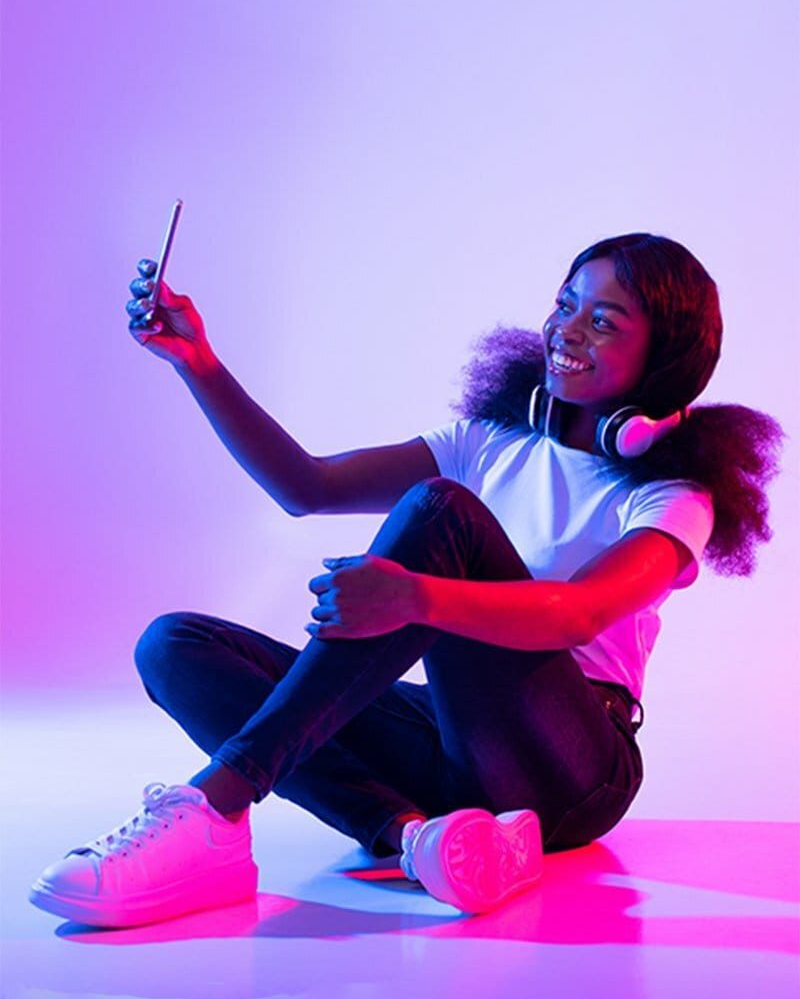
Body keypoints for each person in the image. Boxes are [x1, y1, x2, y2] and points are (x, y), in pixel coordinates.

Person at [28, 233, 785, 927]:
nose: (568, 329)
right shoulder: (488, 444)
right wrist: (200, 364)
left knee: (441, 512)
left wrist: (414, 598)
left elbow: (578, 614)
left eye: (604, 322)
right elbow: (306, 486)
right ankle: (418, 839)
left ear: (666, 359)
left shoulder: (674, 498)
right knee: (175, 647)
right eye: (565, 304)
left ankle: (215, 805)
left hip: (573, 768)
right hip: (456, 743)